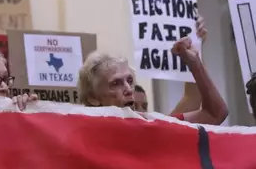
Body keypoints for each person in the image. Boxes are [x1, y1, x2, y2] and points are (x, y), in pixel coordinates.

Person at [77, 36, 228, 125]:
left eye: (130, 80)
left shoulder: (153, 125)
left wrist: (195, 64)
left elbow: (216, 114)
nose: (129, 89)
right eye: (115, 83)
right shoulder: (82, 135)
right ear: (93, 97)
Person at [133, 16, 209, 114]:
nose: (140, 112)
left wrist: (195, 46)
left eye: (144, 106)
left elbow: (193, 97)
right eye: (132, 107)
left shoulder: (158, 127)